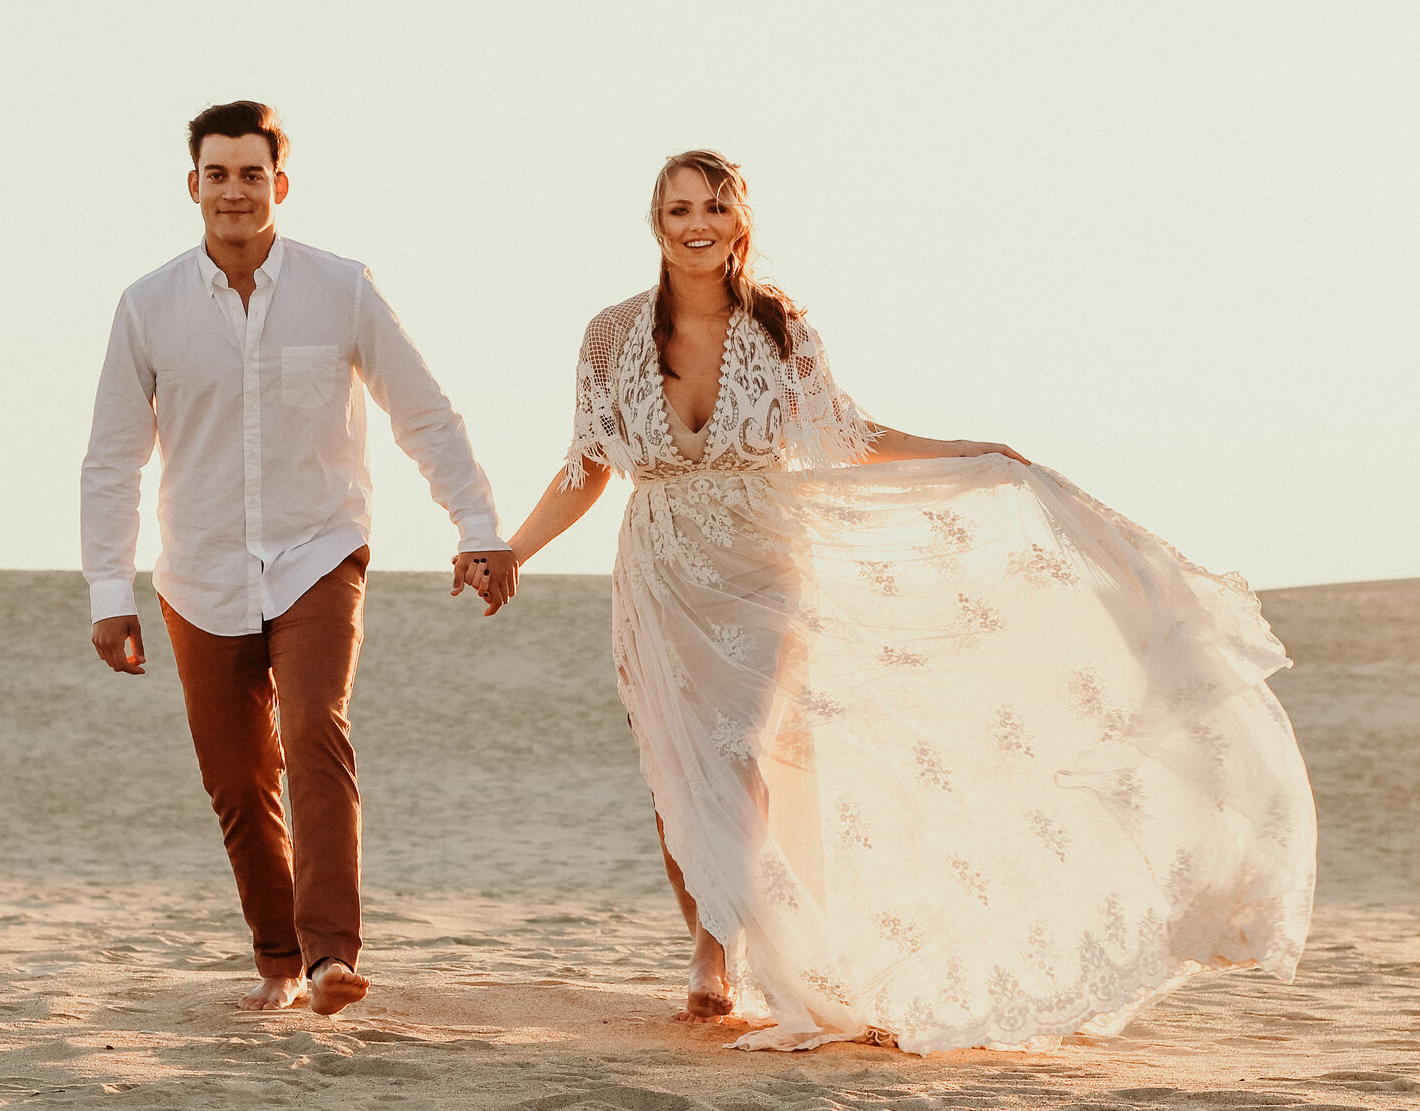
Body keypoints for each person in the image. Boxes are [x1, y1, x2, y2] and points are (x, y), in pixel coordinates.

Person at [480, 149, 1317, 1052]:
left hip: (765, 563)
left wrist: (967, 452)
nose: (699, 222)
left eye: (716, 207)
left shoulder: (780, 328)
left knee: (746, 750)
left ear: (741, 222)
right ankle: (711, 942)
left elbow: (846, 432)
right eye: (681, 207)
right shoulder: (610, 337)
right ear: (656, 220)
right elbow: (585, 468)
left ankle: (719, 953)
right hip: (662, 574)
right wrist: (510, 549)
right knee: (679, 768)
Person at [81, 101, 516, 1017]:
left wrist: (477, 526)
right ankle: (277, 961)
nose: (234, 191)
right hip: (198, 569)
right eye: (216, 174)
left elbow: (423, 412)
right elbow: (113, 457)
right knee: (238, 776)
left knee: (315, 725)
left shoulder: (342, 287)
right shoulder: (146, 307)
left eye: (251, 174)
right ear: (192, 186)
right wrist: (108, 590)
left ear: (279, 185)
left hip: (320, 548)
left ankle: (331, 958)